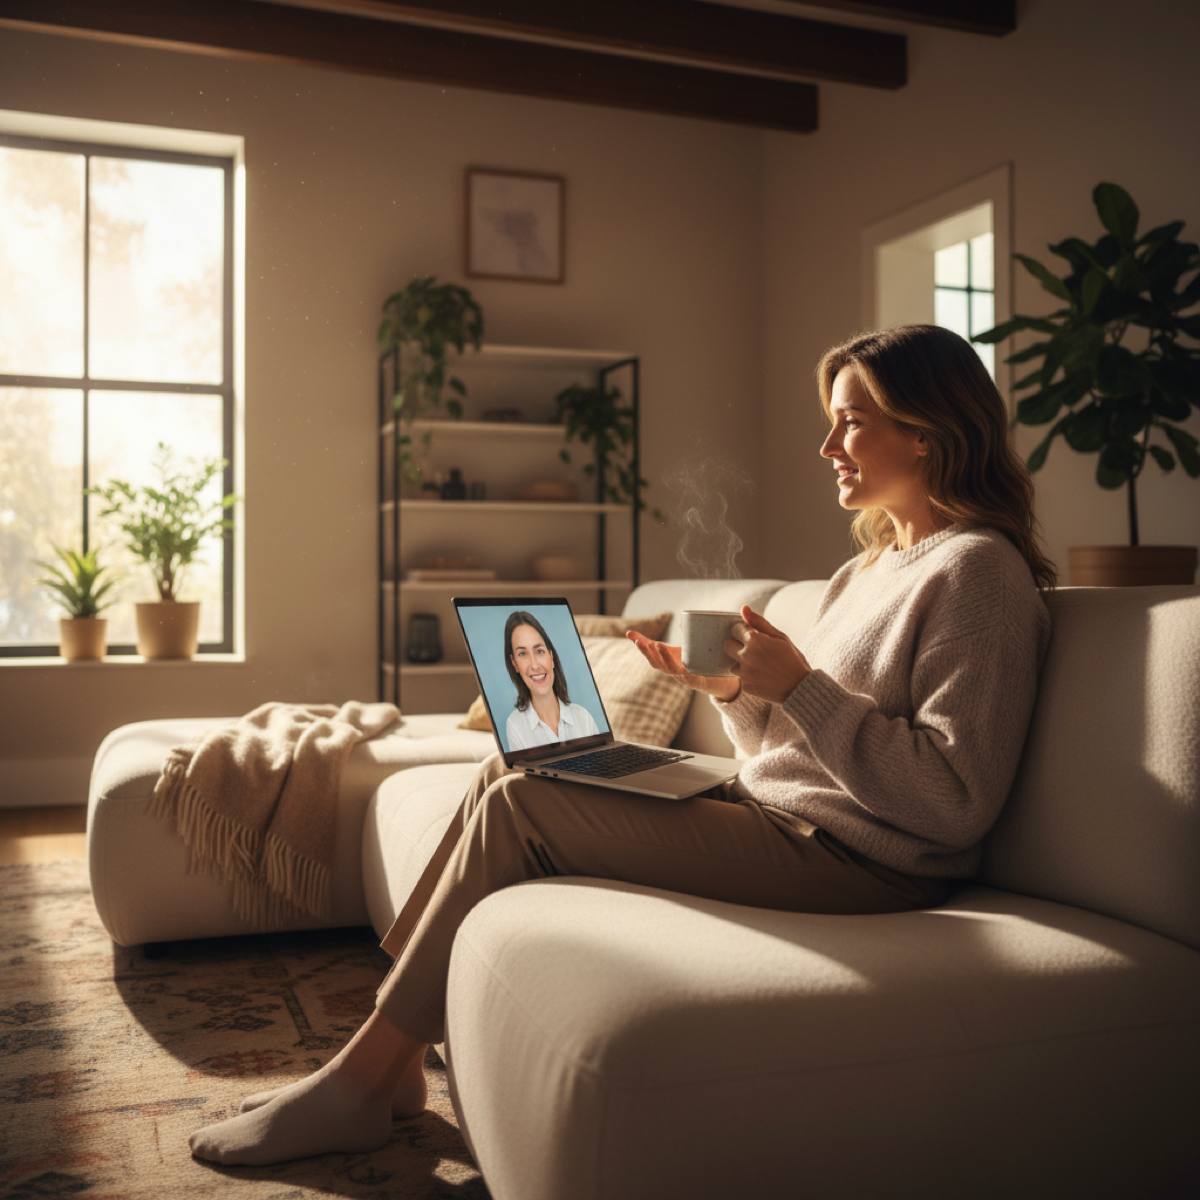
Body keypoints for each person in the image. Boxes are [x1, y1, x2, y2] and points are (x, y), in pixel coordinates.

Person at [187, 324, 1056, 1166]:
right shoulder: (863, 571)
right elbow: (784, 754)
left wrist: (798, 686)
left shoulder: (978, 573)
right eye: (830, 419)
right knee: (516, 762)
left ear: (932, 430)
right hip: (776, 813)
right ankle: (398, 1059)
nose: (828, 442)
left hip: (866, 862)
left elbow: (952, 802)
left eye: (853, 420)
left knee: (529, 803)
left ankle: (361, 1079)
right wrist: (735, 697)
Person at [503, 610, 601, 751]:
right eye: (522, 654)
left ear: (551, 657)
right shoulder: (515, 725)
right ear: (514, 664)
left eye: (539, 651)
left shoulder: (583, 717)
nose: (535, 665)